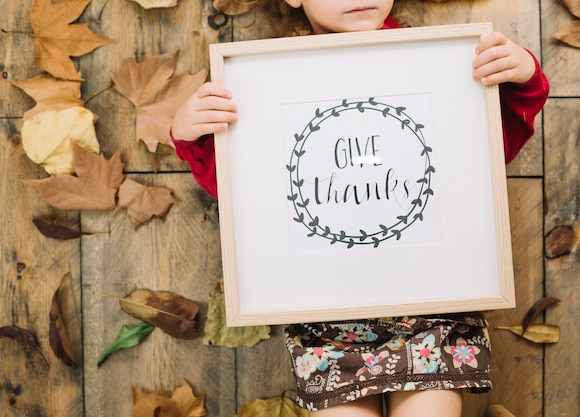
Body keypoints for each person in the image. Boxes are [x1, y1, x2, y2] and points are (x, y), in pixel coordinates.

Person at [170, 1, 550, 416]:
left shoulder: (439, 66)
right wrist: (191, 134)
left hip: (434, 300)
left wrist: (521, 77)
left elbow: (485, 160)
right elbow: (251, 195)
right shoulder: (269, 84)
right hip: (328, 311)